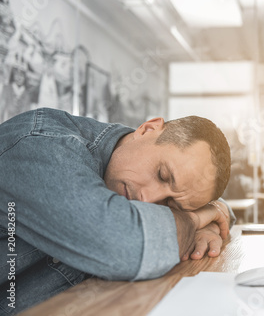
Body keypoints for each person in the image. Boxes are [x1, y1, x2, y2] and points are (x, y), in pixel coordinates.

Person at [0, 108, 234, 314]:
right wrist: (193, 221)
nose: (149, 200)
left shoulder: (127, 161)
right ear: (148, 129)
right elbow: (127, 246)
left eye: (172, 205)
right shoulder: (41, 145)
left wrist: (214, 214)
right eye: (162, 175)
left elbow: (212, 202)